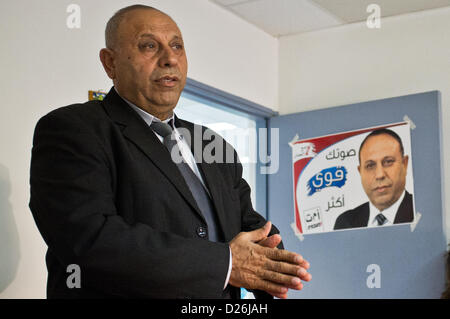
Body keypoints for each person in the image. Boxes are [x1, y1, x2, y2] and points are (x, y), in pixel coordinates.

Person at [29, 5, 311, 299]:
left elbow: (249, 224)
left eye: (177, 46)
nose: (169, 59)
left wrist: (272, 268)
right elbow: (89, 239)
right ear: (109, 63)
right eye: (149, 46)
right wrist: (226, 263)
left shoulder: (210, 142)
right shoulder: (73, 129)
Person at [334, 128, 414, 230]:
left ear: (405, 164)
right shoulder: (345, 223)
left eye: (388, 162)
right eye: (370, 165)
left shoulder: (421, 212)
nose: (380, 175)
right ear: (360, 172)